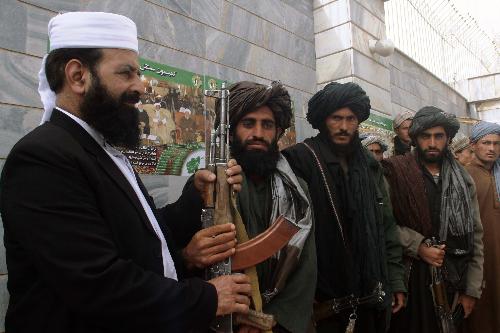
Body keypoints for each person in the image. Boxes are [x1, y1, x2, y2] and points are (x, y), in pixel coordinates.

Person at [0, 12, 252, 333]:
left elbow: (141, 237)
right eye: (126, 73)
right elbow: (98, 284)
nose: (141, 86)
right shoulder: (43, 157)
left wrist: (195, 198)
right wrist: (206, 298)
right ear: (78, 76)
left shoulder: (102, 148)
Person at [183, 81, 316, 333]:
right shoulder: (211, 183)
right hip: (225, 314)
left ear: (278, 132)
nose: (258, 133)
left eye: (267, 125)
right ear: (232, 131)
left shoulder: (297, 190)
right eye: (248, 123)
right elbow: (190, 256)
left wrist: (274, 320)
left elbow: (305, 267)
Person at [282, 82, 406, 333]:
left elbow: (386, 226)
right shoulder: (300, 159)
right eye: (336, 118)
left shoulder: (369, 164)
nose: (343, 126)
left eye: (350, 119)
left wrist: (395, 280)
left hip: (370, 291)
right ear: (323, 120)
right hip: (322, 299)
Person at [383, 106, 484, 333]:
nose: (431, 143)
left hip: (454, 279)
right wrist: (418, 246)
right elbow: (384, 224)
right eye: (425, 136)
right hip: (411, 280)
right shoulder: (396, 173)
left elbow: (475, 237)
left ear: (448, 139)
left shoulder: (462, 178)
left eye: (438, 136)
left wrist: (471, 291)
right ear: (415, 138)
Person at [464, 121, 500, 333]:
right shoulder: (465, 176)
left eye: (496, 143)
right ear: (473, 145)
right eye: (486, 143)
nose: (492, 148)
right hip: (479, 260)